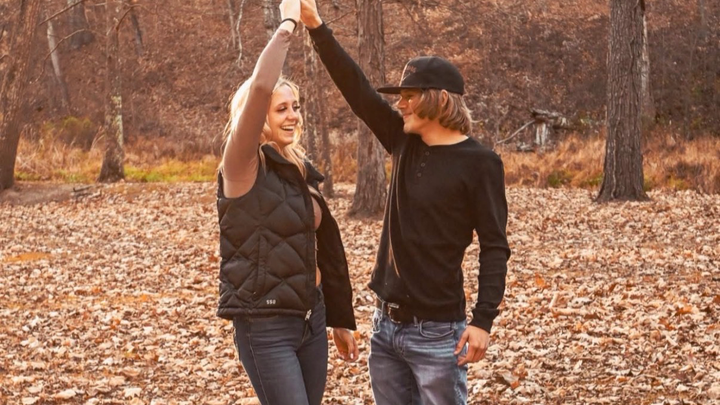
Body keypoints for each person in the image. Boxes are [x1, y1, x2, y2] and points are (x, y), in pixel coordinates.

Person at [299, 1, 511, 404]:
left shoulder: (481, 164)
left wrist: (483, 321)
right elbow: (357, 90)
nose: (400, 104)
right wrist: (316, 26)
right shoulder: (402, 141)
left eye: (409, 96)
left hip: (438, 334)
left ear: (440, 100)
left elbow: (494, 247)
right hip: (385, 327)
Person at [215, 1, 358, 404]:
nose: (293, 115)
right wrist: (289, 24)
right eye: (281, 109)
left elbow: (322, 248)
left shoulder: (298, 169)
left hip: (311, 319)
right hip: (265, 327)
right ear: (257, 116)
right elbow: (261, 87)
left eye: (295, 106)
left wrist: (338, 319)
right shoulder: (241, 165)